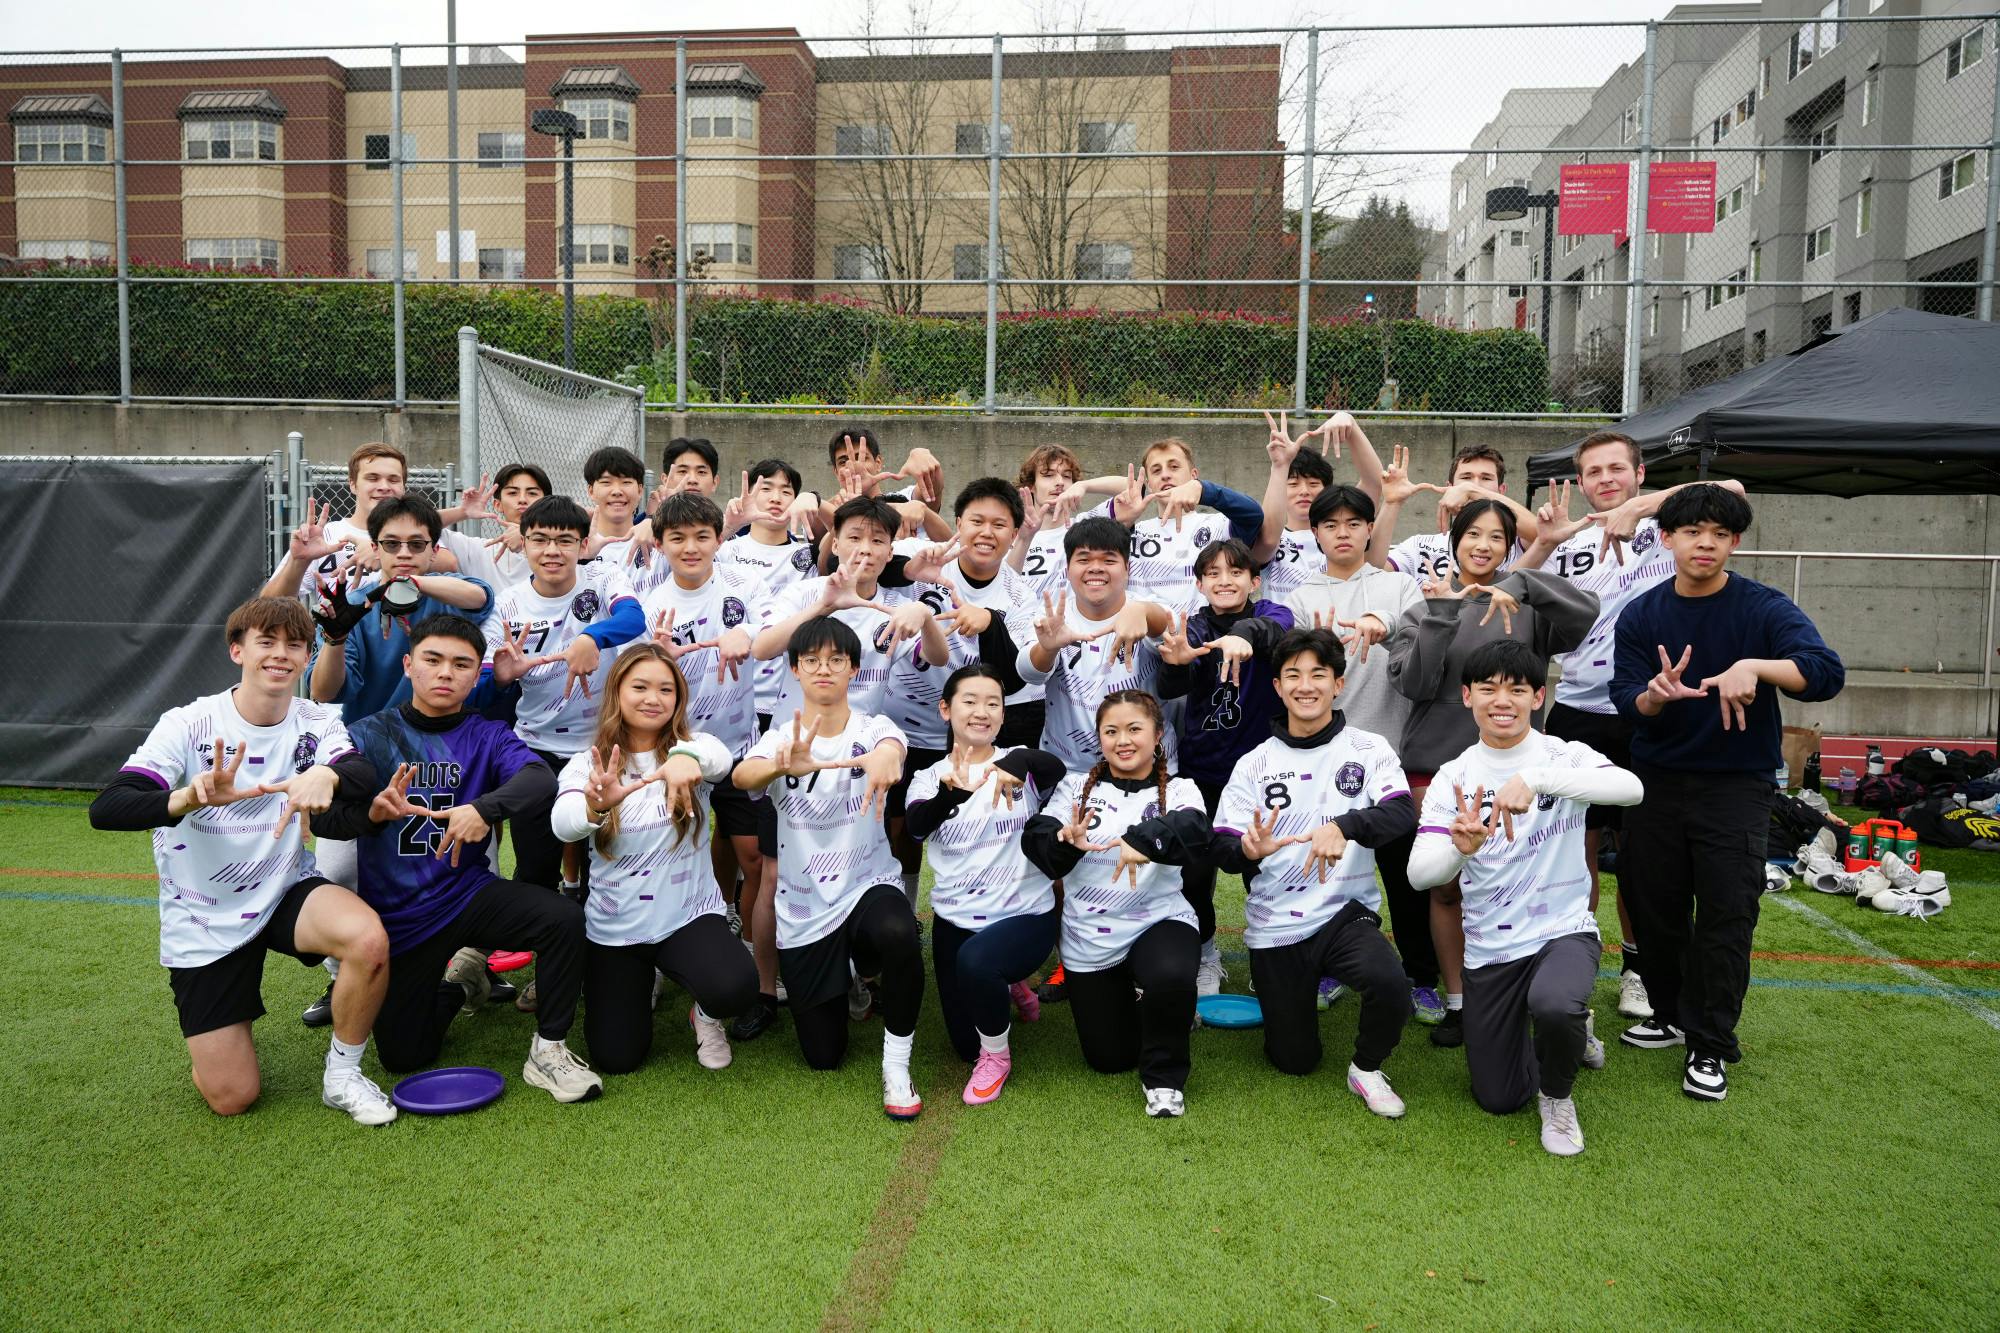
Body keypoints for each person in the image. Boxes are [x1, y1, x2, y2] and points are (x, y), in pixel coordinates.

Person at [87, 596, 396, 1125]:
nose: (280, 655)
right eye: (266, 642)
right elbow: (107, 808)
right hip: (203, 915)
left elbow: (360, 775)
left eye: (294, 645)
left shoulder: (316, 719)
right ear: (237, 651)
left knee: (368, 939)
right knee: (233, 1097)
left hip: (282, 888)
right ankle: (215, 1052)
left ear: (305, 658)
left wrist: (330, 774)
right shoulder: (188, 723)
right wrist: (188, 797)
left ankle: (342, 1076)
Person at [1610, 483, 1843, 1102]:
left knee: (1725, 913)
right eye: (1691, 532)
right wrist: (1654, 697)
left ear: (1734, 542)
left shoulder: (1763, 609)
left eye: (1718, 533)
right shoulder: (1642, 614)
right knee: (1653, 906)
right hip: (1655, 784)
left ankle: (1709, 1044)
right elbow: (1625, 701)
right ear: (1667, 540)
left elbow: (1824, 672)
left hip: (1736, 788)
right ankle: (1668, 1011)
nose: (1704, 543)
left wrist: (1756, 669)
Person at [310, 614, 603, 1103]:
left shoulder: (486, 734)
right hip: (400, 919)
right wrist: (371, 816)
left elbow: (538, 781)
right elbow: (323, 821)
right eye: (433, 660)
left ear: (476, 674)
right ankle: (460, 987)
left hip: (469, 895)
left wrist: (483, 809)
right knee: (404, 1056)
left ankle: (549, 1050)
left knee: (562, 918)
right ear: (408, 665)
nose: (446, 672)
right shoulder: (364, 735)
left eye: (461, 664)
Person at [1515, 431, 1749, 1023]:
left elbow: (1732, 488)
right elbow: (1511, 586)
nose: (1605, 480)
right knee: (1576, 849)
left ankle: (1639, 971)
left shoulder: (1670, 524)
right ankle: (1578, 963)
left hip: (1650, 708)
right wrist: (1544, 540)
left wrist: (1641, 508)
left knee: (1646, 857)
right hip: (1576, 710)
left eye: (1616, 469)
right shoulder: (1570, 536)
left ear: (1639, 473)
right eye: (1593, 472)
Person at [1409, 641, 1644, 1154]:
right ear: (1467, 696)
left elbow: (1631, 789)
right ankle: (1566, 1039)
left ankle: (1558, 1098)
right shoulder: (1454, 776)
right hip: (1492, 945)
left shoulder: (1565, 755)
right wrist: (1459, 849)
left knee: (1555, 1004)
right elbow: (1420, 874)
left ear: (1539, 697)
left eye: (1517, 689)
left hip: (1563, 928)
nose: (1503, 700)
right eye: (1489, 688)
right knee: (1497, 1097)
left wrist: (1536, 778)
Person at [1385, 498, 1597, 1048]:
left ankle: (1533, 993)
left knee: (1521, 885)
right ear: (1452, 539)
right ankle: (1460, 1001)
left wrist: (1525, 585)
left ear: (1511, 547)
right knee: (1449, 889)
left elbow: (1583, 615)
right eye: (1472, 534)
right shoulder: (1422, 605)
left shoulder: (1521, 601)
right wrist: (1442, 613)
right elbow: (1414, 684)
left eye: (1497, 538)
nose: (1483, 546)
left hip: (1521, 775)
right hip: (1437, 770)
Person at [1210, 628, 1418, 1119]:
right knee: (1295, 1061)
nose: (1307, 686)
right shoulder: (1253, 764)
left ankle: (1366, 1068)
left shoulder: (1368, 749)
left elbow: (1402, 813)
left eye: (1318, 675)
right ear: (1278, 688)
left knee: (1390, 984)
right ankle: (1292, 1002)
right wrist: (1247, 848)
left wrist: (1344, 826)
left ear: (1338, 684)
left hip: (1343, 913)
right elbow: (1220, 846)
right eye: (1293, 676)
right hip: (1275, 925)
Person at [735, 617, 926, 1118]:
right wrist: (782, 765)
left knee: (898, 929)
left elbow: (891, 753)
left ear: (853, 669)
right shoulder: (782, 736)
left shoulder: (873, 727)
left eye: (836, 660)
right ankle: (846, 976)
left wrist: (885, 761)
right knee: (824, 1056)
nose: (824, 669)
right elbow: (743, 775)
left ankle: (897, 1065)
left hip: (867, 884)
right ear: (795, 670)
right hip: (804, 907)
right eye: (813, 661)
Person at [552, 643, 760, 1075]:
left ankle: (703, 1014)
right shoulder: (586, 764)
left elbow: (721, 760)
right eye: (640, 686)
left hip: (687, 917)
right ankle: (643, 981)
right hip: (616, 927)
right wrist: (596, 806)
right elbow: (563, 823)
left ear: (678, 699)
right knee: (616, 1058)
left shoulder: (695, 744)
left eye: (666, 689)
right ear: (617, 693)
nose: (653, 698)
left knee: (736, 988)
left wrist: (684, 757)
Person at [1282, 484, 1435, 1021]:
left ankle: (1423, 976)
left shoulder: (1399, 585)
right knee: (1332, 872)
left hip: (1391, 753)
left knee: (1404, 877)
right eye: (1330, 524)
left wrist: (1384, 624)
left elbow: (1423, 642)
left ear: (1371, 529)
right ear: (1316, 533)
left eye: (1353, 523)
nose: (1342, 533)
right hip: (1326, 759)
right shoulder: (1302, 597)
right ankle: (1328, 967)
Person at [1022, 691, 1208, 1118]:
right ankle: (1161, 1009)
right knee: (1109, 1059)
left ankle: (1164, 1078)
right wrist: (1065, 842)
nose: (1123, 740)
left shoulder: (1180, 788)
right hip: (1090, 932)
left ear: (1158, 735)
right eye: (1111, 731)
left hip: (1157, 919)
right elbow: (1040, 842)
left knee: (1170, 973)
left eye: (1134, 729)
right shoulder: (1074, 787)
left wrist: (1141, 841)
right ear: (1099, 738)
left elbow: (1195, 830)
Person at [637, 491, 776, 1027]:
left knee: (754, 861)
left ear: (721, 538)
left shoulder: (748, 588)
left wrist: (750, 635)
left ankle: (744, 956)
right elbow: (633, 680)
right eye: (677, 538)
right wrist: (659, 659)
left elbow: (774, 628)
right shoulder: (650, 603)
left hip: (740, 749)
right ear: (661, 544)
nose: (690, 547)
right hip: (673, 756)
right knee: (668, 856)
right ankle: (652, 959)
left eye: (701, 536)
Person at [903, 666, 1066, 1104]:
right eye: (969, 701)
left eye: (993, 703)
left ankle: (998, 1058)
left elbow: (1057, 768)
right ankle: (1012, 987)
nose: (982, 711)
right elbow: (916, 828)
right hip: (957, 919)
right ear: (945, 709)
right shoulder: (927, 776)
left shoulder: (1020, 762)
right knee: (963, 1045)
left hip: (1026, 915)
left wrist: (1017, 761)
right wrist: (947, 796)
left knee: (978, 964)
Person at [484, 494, 647, 896]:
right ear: (522, 542)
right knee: (536, 864)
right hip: (535, 748)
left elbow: (633, 618)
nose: (552, 551)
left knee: (607, 863)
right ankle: (538, 937)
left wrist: (591, 636)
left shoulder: (604, 577)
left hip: (604, 745)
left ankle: (601, 944)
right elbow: (484, 686)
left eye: (565, 540)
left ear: (582, 545)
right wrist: (501, 679)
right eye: (540, 539)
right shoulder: (505, 605)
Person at [1156, 537, 1294, 995]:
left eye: (1235, 572)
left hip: (1263, 772)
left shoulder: (1273, 613)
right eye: (1213, 573)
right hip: (1203, 771)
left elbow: (1275, 633)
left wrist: (1243, 635)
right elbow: (1175, 680)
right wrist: (1176, 663)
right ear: (1199, 583)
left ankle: (1272, 957)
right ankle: (1206, 956)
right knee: (1195, 875)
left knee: (1266, 873)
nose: (1224, 580)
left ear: (1254, 580)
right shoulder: (1192, 628)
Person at [753, 496, 949, 723]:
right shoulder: (802, 593)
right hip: (793, 737)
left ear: (889, 552)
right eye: (855, 538)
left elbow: (938, 658)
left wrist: (925, 616)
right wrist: (824, 607)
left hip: (860, 743)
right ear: (835, 545)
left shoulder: (895, 608)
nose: (865, 549)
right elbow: (761, 649)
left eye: (877, 541)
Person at [307, 496, 495, 722]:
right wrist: (335, 639)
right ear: (375, 548)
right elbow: (322, 692)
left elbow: (480, 596)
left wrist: (410, 583)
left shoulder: (446, 590)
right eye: (392, 544)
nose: (404, 553)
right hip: (372, 739)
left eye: (416, 544)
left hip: (446, 738)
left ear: (434, 550)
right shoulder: (353, 606)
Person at [1254, 410, 1385, 606]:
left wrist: (1350, 423)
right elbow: (1267, 534)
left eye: (1314, 484)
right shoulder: (1271, 539)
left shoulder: (1343, 533)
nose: (1304, 491)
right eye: (1293, 484)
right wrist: (1279, 466)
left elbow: (1374, 482)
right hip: (1284, 633)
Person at [261, 442, 415, 600]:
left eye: (393, 480)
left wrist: (384, 554)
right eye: (373, 478)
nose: (384, 486)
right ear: (353, 484)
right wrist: (299, 562)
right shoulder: (326, 536)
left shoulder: (424, 536)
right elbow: (268, 605)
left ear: (403, 486)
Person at [1369, 443, 1541, 581]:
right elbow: (1371, 571)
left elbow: (1542, 533)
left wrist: (1473, 491)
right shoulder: (1420, 546)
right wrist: (1391, 503)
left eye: (1486, 478)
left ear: (1501, 490)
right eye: (1466, 478)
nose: (1475, 484)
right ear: (1449, 488)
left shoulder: (1519, 543)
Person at [439, 462, 551, 590]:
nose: (522, 499)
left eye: (532, 493)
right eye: (513, 493)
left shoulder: (562, 548)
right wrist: (462, 512)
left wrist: (528, 534)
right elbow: (419, 525)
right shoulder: (478, 550)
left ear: (547, 503)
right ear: (498, 505)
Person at [1008, 442, 1086, 598]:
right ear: (1031, 485)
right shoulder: (1011, 533)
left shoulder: (1086, 526)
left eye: (1066, 476)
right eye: (1048, 475)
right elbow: (1003, 586)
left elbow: (1133, 492)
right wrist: (1024, 540)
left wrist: (1085, 485)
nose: (1060, 482)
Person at [581, 445, 650, 564]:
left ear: (640, 490)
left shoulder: (657, 542)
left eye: (626, 482)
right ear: (591, 491)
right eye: (606, 482)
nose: (617, 491)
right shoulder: (576, 547)